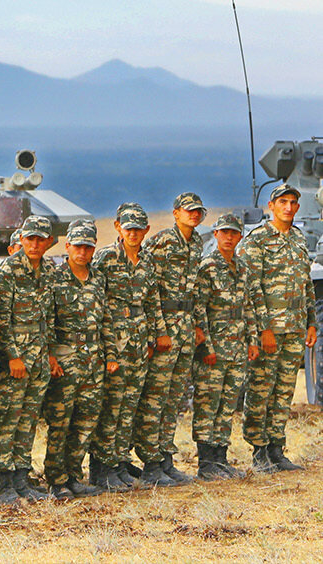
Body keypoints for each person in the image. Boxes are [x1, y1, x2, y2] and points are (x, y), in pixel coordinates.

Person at [239, 184, 319, 472]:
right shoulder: (257, 240)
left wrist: (311, 322)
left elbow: (306, 286)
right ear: (271, 205)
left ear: (298, 207)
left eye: (292, 202)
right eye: (282, 202)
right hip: (270, 328)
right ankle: (259, 451)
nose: (288, 207)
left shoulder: (298, 239)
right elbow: (251, 287)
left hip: (296, 327)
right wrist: (264, 329)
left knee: (284, 390)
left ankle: (276, 448)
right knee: (261, 388)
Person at [89, 204, 161, 492]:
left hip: (139, 344)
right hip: (114, 342)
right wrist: (106, 350)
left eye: (138, 229)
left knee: (129, 406)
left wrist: (155, 337)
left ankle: (119, 463)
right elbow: (97, 303)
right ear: (119, 227)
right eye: (128, 228)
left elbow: (152, 302)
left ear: (146, 231)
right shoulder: (105, 259)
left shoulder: (146, 261)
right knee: (111, 406)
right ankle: (101, 467)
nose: (133, 234)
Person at [136, 191, 207, 485]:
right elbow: (150, 290)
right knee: (155, 397)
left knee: (173, 398)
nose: (194, 215)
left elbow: (195, 290)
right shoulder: (162, 241)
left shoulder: (197, 243)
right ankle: (151, 463)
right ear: (175, 213)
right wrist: (158, 332)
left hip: (186, 328)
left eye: (198, 211)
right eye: (188, 210)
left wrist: (198, 325)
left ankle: (166, 458)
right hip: (165, 328)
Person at [0, 215, 56, 505]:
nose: (35, 244)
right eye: (30, 239)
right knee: (7, 419)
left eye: (41, 239)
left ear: (49, 242)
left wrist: (50, 353)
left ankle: (21, 478)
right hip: (14, 359)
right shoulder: (7, 271)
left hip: (38, 356)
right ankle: (4, 483)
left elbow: (49, 316)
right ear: (21, 240)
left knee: (28, 420)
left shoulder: (49, 271)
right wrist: (12, 356)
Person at [40, 220, 105, 499]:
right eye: (77, 246)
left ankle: (75, 475)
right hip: (65, 359)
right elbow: (45, 321)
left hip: (93, 359)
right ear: (67, 247)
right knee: (60, 421)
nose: (83, 251)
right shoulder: (53, 279)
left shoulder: (98, 278)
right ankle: (56, 479)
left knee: (87, 419)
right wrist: (51, 356)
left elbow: (106, 320)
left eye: (88, 247)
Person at [191, 212, 255, 479]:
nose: (229, 237)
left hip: (237, 349)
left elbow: (247, 307)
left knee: (227, 404)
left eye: (234, 233)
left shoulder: (242, 269)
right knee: (208, 403)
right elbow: (199, 310)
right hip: (214, 350)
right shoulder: (207, 267)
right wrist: (206, 348)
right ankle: (206, 463)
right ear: (215, 234)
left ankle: (220, 458)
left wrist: (252, 341)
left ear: (240, 237)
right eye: (224, 232)